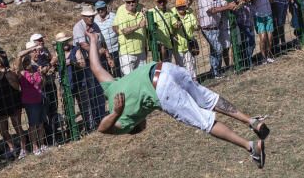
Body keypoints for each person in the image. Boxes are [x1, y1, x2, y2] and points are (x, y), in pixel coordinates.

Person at [84, 31, 268, 166]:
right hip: (164, 67)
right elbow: (95, 66)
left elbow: (102, 128)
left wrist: (116, 113)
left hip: (161, 87)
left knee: (204, 121)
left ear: (136, 126)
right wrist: (93, 40)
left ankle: (251, 146)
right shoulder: (110, 87)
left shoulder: (125, 123)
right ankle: (251, 121)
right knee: (208, 99)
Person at [0, 55, 27, 160]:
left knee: (17, 126)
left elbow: (17, 87)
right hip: (1, 104)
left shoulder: (8, 72)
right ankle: (12, 148)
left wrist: (12, 79)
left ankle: (23, 148)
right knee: (2, 129)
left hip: (13, 102)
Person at [197, 0, 231, 77]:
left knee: (214, 50)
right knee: (219, 48)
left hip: (216, 27)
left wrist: (229, 4)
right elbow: (211, 10)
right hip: (207, 29)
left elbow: (223, 2)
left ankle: (215, 71)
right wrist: (227, 7)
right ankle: (216, 71)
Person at [18, 50, 47, 155]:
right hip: (30, 102)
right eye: (32, 59)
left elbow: (42, 84)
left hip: (39, 99)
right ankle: (35, 147)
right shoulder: (22, 73)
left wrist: (42, 74)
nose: (35, 60)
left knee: (40, 124)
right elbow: (18, 61)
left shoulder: (36, 70)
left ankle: (42, 144)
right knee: (33, 125)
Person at [112, 0, 148, 75]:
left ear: (136, 2)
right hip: (127, 53)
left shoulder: (140, 11)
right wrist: (138, 26)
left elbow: (145, 30)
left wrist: (145, 47)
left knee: (142, 77)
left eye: (133, 1)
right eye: (128, 2)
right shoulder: (122, 12)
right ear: (125, 3)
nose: (131, 4)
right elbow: (124, 31)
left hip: (141, 52)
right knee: (129, 80)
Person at [170, 0, 200, 79]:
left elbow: (195, 25)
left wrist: (197, 27)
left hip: (188, 45)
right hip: (177, 47)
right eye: (179, 7)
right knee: (181, 67)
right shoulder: (172, 15)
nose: (181, 9)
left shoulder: (190, 15)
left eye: (183, 6)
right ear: (176, 8)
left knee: (191, 66)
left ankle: (194, 82)